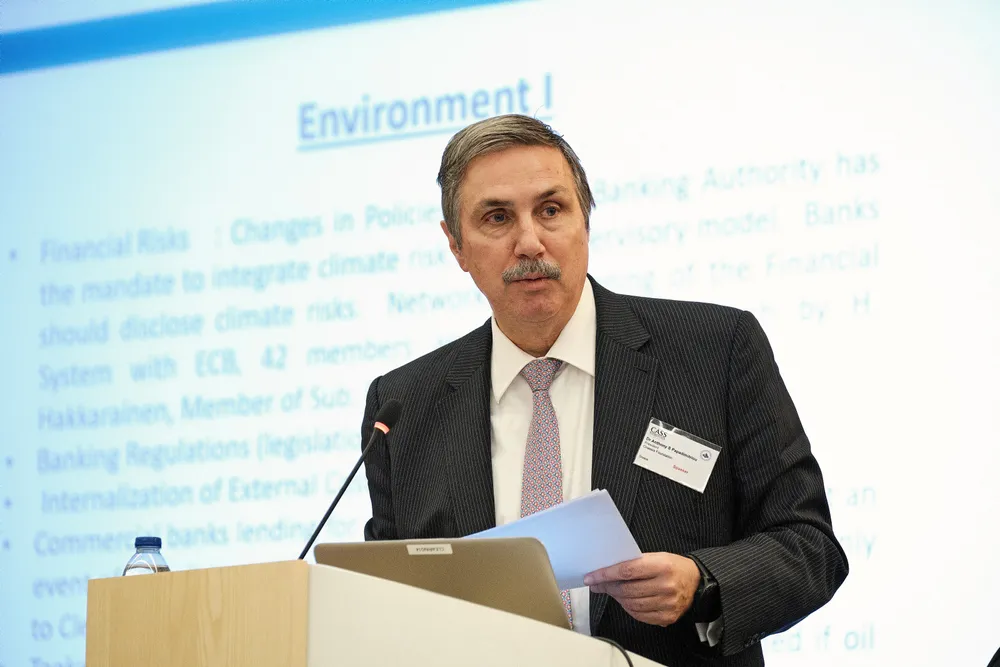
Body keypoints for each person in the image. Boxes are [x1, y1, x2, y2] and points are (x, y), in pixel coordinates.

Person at [359, 114, 848, 666]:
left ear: (584, 221)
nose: (529, 242)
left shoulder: (715, 350)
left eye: (551, 210)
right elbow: (385, 602)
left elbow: (810, 545)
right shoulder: (404, 406)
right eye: (497, 218)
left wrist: (703, 581)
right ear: (456, 246)